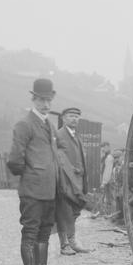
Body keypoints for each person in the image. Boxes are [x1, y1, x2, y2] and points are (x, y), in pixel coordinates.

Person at [7, 78, 67, 265]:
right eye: (41, 100)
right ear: (33, 99)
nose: (46, 104)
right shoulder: (25, 124)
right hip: (32, 191)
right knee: (30, 233)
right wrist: (32, 175)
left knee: (43, 233)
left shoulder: (48, 125)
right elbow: (14, 160)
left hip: (49, 190)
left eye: (49, 100)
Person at [55, 106, 92, 255]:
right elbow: (56, 157)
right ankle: (64, 245)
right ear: (63, 118)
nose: (74, 119)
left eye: (77, 116)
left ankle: (72, 241)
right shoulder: (58, 135)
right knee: (63, 211)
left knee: (74, 211)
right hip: (64, 181)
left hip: (78, 181)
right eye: (71, 116)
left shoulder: (77, 137)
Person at [100, 142, 114, 214]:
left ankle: (111, 213)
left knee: (110, 198)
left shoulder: (109, 157)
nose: (103, 149)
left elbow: (107, 171)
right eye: (102, 148)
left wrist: (104, 182)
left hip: (109, 181)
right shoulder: (105, 157)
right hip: (108, 181)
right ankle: (108, 213)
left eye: (104, 147)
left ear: (108, 147)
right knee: (108, 197)